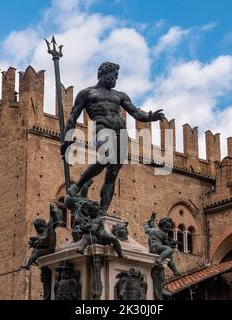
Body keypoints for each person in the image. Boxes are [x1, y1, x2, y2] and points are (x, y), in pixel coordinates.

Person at [61, 62, 165, 215]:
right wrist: (66, 138)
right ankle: (78, 185)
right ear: (102, 74)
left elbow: (136, 113)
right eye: (113, 75)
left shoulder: (120, 95)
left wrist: (150, 117)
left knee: (112, 173)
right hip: (102, 129)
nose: (115, 79)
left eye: (116, 76)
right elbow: (72, 116)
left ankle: (103, 213)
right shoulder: (87, 93)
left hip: (121, 133)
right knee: (105, 157)